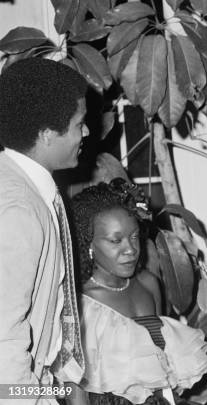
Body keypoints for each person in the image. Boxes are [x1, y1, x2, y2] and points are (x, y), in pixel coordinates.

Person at [67, 180, 207, 404]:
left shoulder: (148, 284)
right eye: (115, 241)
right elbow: (74, 387)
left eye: (134, 237)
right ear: (89, 244)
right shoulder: (79, 302)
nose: (130, 250)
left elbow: (161, 369)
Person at [0, 58, 89, 402]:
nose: (87, 133)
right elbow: (5, 340)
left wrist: (64, 383)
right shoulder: (18, 209)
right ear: (46, 134)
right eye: (79, 124)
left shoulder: (30, 189)